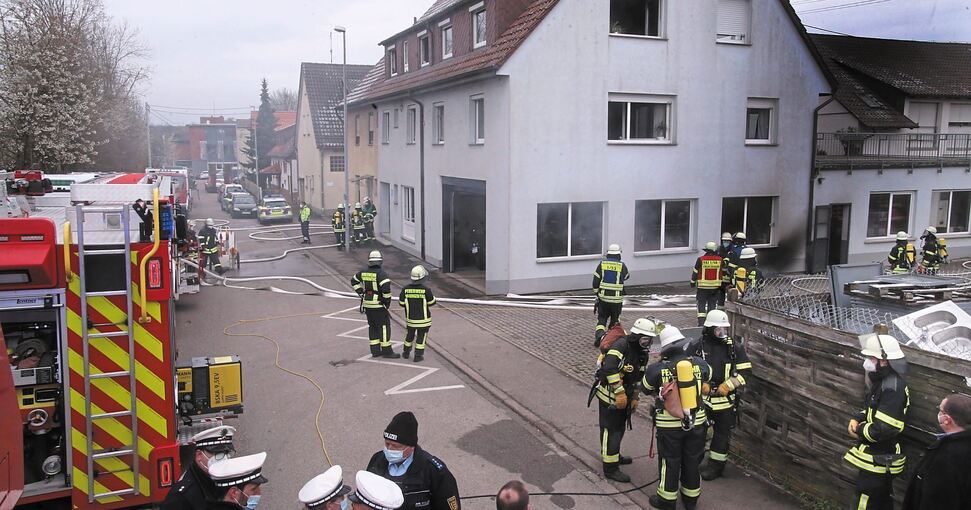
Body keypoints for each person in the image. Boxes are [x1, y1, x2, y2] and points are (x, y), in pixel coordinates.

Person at [643, 326, 711, 510]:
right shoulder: (699, 363)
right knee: (692, 460)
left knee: (670, 460)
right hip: (697, 422)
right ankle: (691, 500)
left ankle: (666, 501)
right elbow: (709, 377)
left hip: (669, 425)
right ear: (682, 344)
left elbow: (645, 387)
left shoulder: (656, 369)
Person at [844, 331, 910, 510]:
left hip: (880, 459)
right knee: (880, 502)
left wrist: (858, 429)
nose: (867, 362)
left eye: (871, 358)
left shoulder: (892, 388)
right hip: (876, 458)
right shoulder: (882, 382)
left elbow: (883, 429)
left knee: (866, 502)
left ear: (884, 361)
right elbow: (873, 410)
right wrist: (858, 418)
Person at [595, 318, 660, 482]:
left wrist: (635, 397)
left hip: (625, 396)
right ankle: (610, 468)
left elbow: (639, 377)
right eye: (645, 339)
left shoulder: (641, 354)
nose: (647, 343)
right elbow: (609, 368)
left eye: (649, 340)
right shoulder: (621, 346)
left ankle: (613, 455)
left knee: (619, 428)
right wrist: (619, 393)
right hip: (609, 397)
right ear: (637, 336)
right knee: (611, 430)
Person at [694, 310, 752, 481]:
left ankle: (716, 467)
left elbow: (746, 372)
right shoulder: (698, 347)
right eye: (718, 329)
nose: (722, 333)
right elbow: (684, 369)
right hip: (702, 401)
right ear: (709, 329)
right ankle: (692, 463)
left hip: (725, 402)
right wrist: (700, 385)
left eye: (724, 329)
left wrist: (728, 385)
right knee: (697, 434)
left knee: (721, 436)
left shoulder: (734, 347)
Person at [366, 412, 460, 510]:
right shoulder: (376, 461)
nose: (390, 450)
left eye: (396, 446)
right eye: (387, 444)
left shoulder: (434, 471)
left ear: (411, 446)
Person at [902, 393, 971, 509]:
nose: (938, 413)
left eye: (941, 410)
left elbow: (935, 500)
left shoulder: (947, 456)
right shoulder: (963, 443)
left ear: (947, 420)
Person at [161, 426, 237, 510]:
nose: (224, 458)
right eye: (218, 454)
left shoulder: (223, 482)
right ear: (199, 455)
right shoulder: (180, 498)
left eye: (227, 452)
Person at [351, 251, 398, 358]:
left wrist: (361, 292)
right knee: (384, 326)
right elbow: (386, 290)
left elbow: (354, 281)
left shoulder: (363, 272)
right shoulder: (382, 274)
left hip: (367, 303)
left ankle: (375, 350)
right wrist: (387, 302)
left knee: (373, 326)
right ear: (380, 261)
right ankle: (387, 351)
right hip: (378, 304)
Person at [592, 243, 630, 347]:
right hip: (616, 300)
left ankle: (599, 336)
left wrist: (597, 293)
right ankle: (610, 340)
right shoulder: (622, 265)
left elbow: (596, 281)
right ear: (618, 254)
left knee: (602, 318)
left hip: (603, 298)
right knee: (615, 320)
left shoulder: (602, 264)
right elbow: (626, 276)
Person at [399, 265, 436, 362]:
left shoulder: (405, 289)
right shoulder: (426, 290)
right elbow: (432, 302)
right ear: (422, 277)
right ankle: (418, 356)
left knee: (409, 336)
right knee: (421, 337)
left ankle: (406, 353)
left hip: (410, 320)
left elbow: (401, 303)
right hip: (424, 320)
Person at [691, 241, 723, 326]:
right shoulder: (720, 260)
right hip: (715, 288)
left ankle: (701, 324)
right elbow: (723, 272)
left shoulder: (701, 259)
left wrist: (692, 282)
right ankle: (710, 323)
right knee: (712, 306)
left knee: (701, 305)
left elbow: (695, 272)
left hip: (702, 288)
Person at [716, 232, 734, 309]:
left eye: (727, 241)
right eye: (724, 241)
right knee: (721, 293)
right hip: (721, 277)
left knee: (732, 293)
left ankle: (731, 309)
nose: (725, 243)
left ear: (730, 241)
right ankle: (720, 309)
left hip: (731, 276)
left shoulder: (733, 250)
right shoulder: (719, 249)